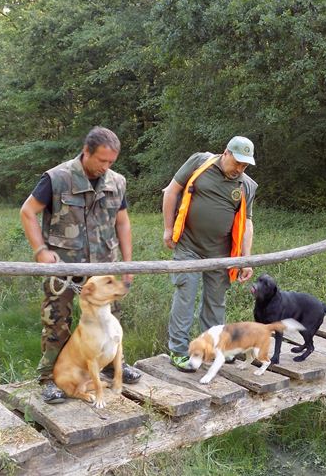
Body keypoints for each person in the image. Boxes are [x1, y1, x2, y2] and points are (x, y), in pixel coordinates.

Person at [20, 126, 141, 404]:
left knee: (110, 320)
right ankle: (51, 377)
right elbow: (27, 212)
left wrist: (128, 264)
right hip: (63, 266)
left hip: (103, 267)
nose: (106, 166)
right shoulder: (57, 178)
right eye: (101, 160)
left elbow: (122, 222)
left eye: (111, 161)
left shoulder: (117, 182)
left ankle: (113, 364)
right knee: (57, 321)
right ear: (86, 152)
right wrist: (40, 250)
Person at [162, 136, 257, 372]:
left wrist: (246, 258)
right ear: (226, 153)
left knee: (216, 302)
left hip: (222, 253)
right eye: (237, 162)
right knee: (186, 295)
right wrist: (167, 228)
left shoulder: (247, 185)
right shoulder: (199, 163)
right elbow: (172, 191)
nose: (239, 169)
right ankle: (178, 350)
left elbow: (246, 222)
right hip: (189, 246)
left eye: (245, 166)